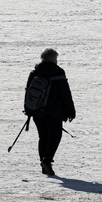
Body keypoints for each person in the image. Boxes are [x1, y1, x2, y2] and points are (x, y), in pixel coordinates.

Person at [25, 49, 75, 177]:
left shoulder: (35, 72)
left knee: (43, 136)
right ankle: (46, 161)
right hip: (54, 111)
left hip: (37, 111)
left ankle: (44, 164)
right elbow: (65, 93)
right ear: (54, 60)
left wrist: (29, 109)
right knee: (55, 135)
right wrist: (71, 111)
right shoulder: (57, 72)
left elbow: (28, 92)